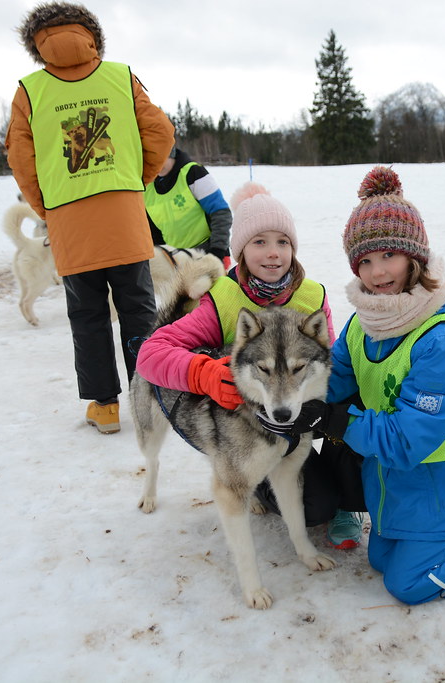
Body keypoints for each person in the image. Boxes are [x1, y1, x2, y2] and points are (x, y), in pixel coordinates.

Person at [287, 166, 445, 604]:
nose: (377, 273)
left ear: (414, 256)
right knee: (380, 561)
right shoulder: (363, 325)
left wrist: (334, 419)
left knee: (408, 584)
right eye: (365, 261)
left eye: (388, 255)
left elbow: (406, 440)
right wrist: (288, 399)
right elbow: (329, 383)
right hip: (400, 485)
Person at [135, 182, 365, 548]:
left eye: (282, 242)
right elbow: (150, 354)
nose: (273, 253)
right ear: (241, 250)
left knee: (350, 401)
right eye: (259, 242)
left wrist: (325, 410)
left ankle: (346, 502)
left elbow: (330, 364)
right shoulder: (223, 298)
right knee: (307, 501)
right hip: (245, 426)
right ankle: (256, 486)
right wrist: (205, 373)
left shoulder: (312, 297)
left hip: (296, 418)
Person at [5, 2, 175, 435]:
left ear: (35, 45)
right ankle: (150, 400)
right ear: (93, 38)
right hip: (123, 217)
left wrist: (47, 207)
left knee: (88, 316)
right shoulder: (121, 77)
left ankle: (105, 409)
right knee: (138, 310)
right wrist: (135, 180)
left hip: (68, 223)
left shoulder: (30, 91)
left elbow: (20, 158)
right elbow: (160, 131)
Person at [144, 146, 233, 270]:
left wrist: (217, 253)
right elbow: (153, 232)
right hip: (174, 262)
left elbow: (221, 213)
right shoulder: (147, 187)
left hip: (208, 254)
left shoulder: (193, 173)